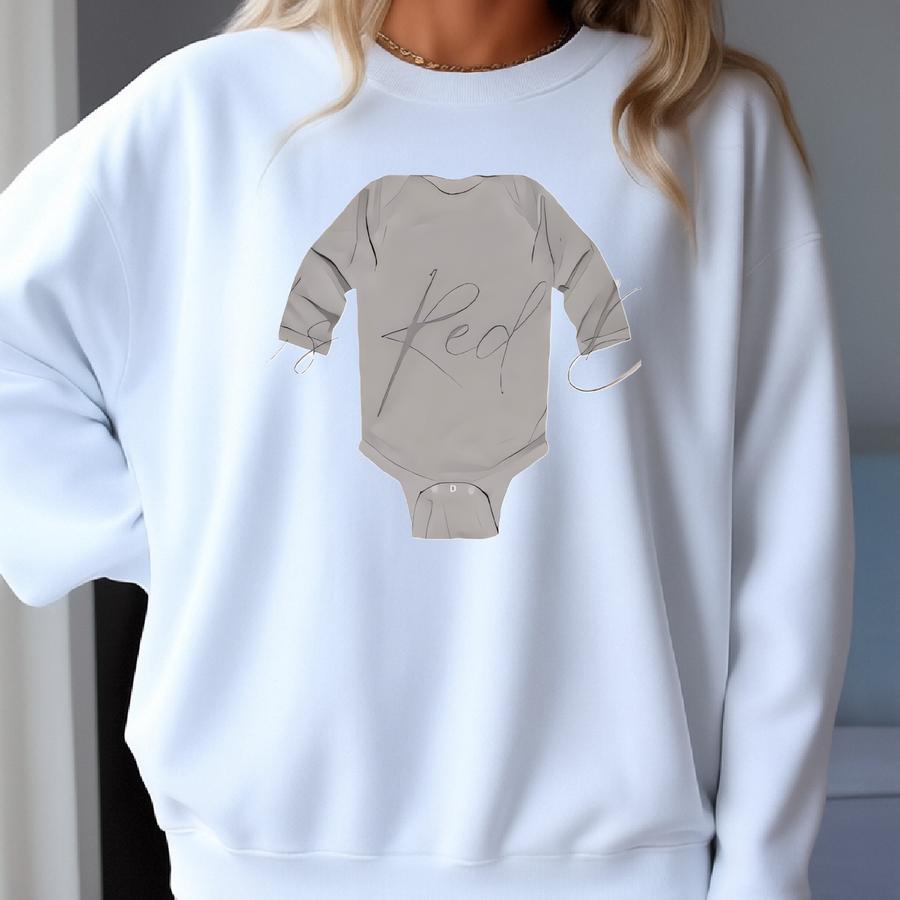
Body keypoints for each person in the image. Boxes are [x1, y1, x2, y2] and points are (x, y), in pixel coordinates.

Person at [0, 1, 855, 898]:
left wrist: (763, 877)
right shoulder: (206, 114)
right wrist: (190, 551)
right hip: (264, 868)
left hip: (627, 870)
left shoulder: (710, 129)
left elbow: (787, 549)